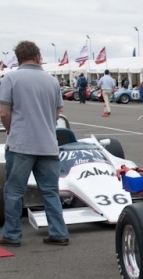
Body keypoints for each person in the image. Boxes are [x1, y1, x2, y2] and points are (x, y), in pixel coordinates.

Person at [0, 40, 69, 246]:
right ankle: (59, 232)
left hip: (22, 144)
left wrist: (13, 130)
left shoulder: (10, 78)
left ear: (18, 57)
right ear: (38, 56)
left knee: (13, 191)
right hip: (48, 144)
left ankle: (12, 235)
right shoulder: (52, 81)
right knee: (50, 191)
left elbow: (3, 112)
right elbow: (58, 113)